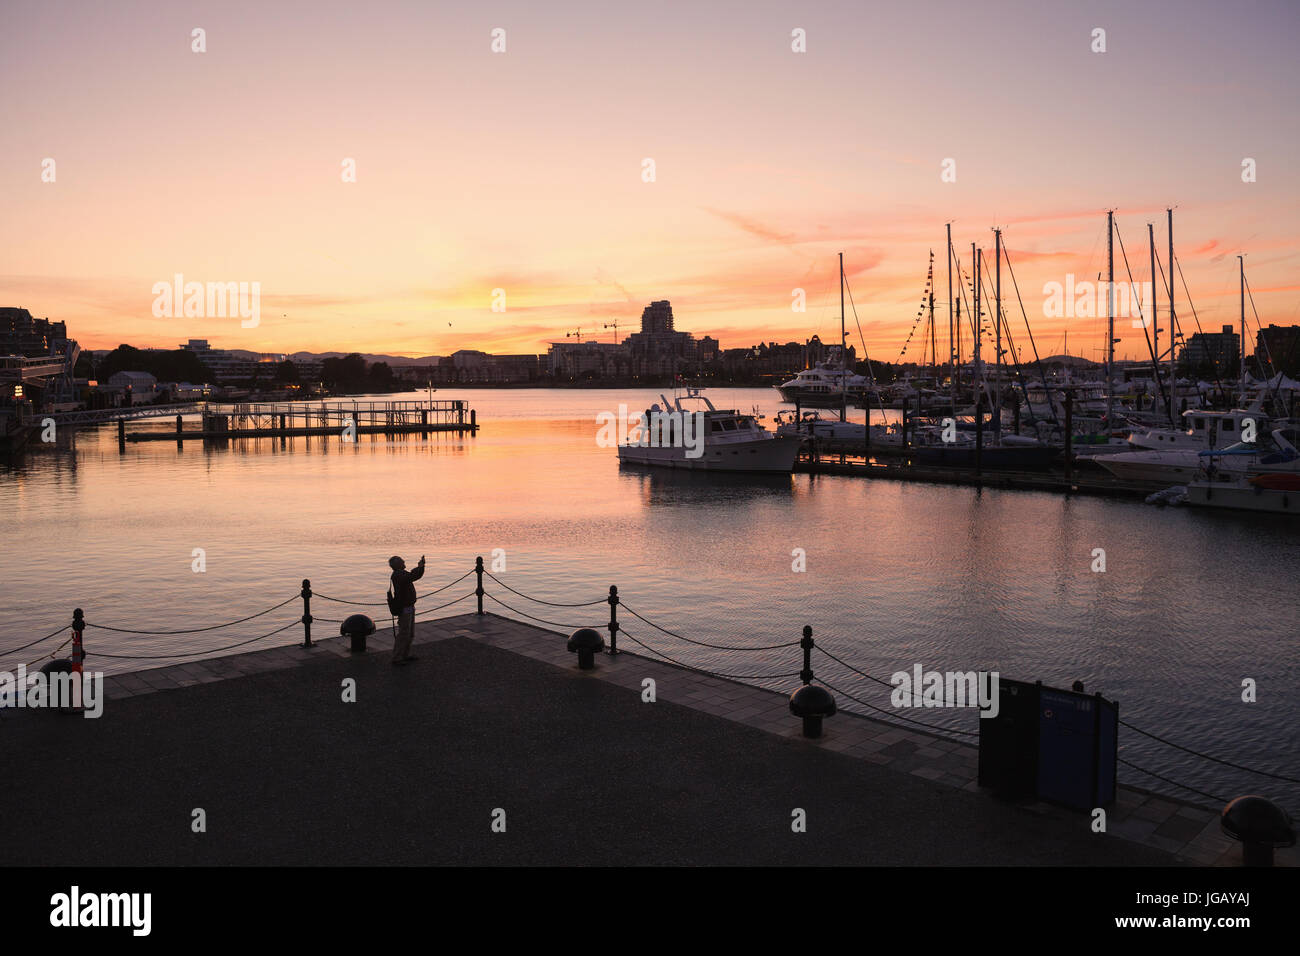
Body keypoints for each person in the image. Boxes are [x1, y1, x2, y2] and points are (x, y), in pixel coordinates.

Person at [388, 555, 425, 664]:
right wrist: (420, 567)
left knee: (409, 633)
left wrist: (420, 567)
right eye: (401, 560)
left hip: (409, 607)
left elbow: (413, 576)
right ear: (397, 564)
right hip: (405, 608)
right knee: (404, 633)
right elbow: (413, 576)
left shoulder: (400, 574)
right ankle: (397, 657)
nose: (404, 561)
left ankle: (405, 654)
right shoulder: (399, 575)